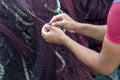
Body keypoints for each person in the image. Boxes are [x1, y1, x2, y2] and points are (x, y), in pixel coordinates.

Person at [41, 0, 120, 77]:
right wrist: (75, 26)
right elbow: (114, 32)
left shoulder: (117, 10)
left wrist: (64, 39)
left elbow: (106, 66)